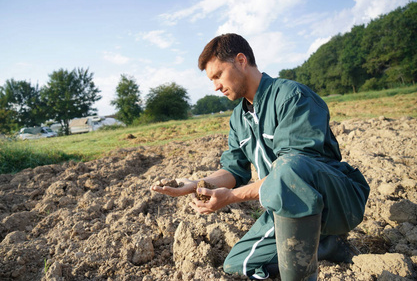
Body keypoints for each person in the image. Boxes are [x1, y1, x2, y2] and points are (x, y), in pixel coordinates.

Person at [150, 33, 370, 280]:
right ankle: (324, 246)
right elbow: (233, 171)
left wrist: (231, 197)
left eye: (218, 75)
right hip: (287, 208)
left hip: (338, 203)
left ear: (241, 60)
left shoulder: (291, 96)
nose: (215, 86)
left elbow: (292, 174)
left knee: (288, 167)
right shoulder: (238, 119)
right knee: (238, 265)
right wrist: (193, 185)